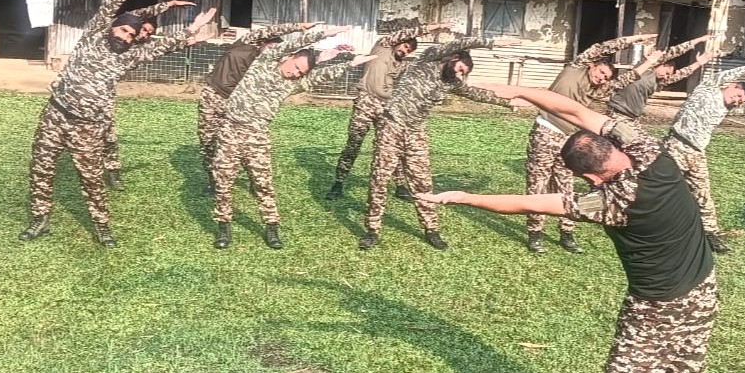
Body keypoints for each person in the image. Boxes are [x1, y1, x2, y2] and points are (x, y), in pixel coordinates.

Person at [418, 85, 718, 373]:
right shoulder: (652, 153)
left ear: (593, 177)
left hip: (654, 311)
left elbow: (530, 203)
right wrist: (525, 93)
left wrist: (464, 196)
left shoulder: (614, 201)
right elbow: (576, 111)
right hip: (702, 293)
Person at [19, 0, 216, 247]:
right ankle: (40, 219)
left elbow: (165, 45)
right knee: (41, 168)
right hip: (55, 115)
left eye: (131, 36)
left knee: (91, 179)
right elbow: (114, 3)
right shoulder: (93, 37)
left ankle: (101, 225)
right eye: (123, 30)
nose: (125, 37)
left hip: (87, 127)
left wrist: (192, 29)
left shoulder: (129, 56)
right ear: (112, 26)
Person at [212, 25, 375, 250]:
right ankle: (223, 227)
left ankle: (271, 228)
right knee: (223, 182)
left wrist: (350, 64)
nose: (295, 73)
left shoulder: (291, 85)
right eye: (296, 67)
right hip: (230, 129)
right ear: (288, 57)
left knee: (263, 184)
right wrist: (324, 34)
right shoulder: (266, 61)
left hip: (256, 135)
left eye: (300, 73)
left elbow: (320, 77)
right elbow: (293, 43)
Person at [358, 36, 525, 251]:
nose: (459, 74)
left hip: (416, 133)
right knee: (379, 180)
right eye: (460, 68)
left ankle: (431, 229)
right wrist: (490, 42)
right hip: (391, 126)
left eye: (463, 74)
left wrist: (508, 101)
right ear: (453, 58)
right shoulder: (428, 60)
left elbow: (476, 94)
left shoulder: (452, 82)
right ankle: (372, 230)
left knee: (422, 183)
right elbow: (458, 43)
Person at [525, 34, 659, 255]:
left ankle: (566, 232)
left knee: (565, 186)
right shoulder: (575, 68)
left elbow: (629, 78)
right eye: (601, 72)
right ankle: (535, 232)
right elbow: (603, 45)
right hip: (546, 133)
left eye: (606, 77)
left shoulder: (599, 91)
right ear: (592, 66)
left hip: (570, 142)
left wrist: (650, 61)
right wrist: (637, 38)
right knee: (537, 185)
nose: (602, 78)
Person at [663, 62, 745, 253]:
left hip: (696, 154)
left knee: (703, 194)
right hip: (675, 145)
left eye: (740, 100)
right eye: (737, 95)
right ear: (731, 85)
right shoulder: (708, 88)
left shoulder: (726, 108)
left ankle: (710, 234)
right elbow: (739, 70)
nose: (736, 100)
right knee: (662, 184)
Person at [326, 23, 447, 202]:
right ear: (398, 42)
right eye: (405, 46)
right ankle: (338, 183)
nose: (405, 51)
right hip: (365, 102)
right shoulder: (382, 47)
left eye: (409, 51)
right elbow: (409, 31)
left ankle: (399, 185)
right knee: (354, 143)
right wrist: (435, 27)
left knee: (391, 146)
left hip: (387, 107)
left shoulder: (401, 64)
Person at [197, 22, 320, 196]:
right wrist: (299, 26)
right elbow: (270, 30)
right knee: (208, 142)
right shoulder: (246, 44)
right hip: (213, 97)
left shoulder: (267, 66)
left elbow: (298, 72)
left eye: (277, 50)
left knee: (244, 144)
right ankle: (214, 182)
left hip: (239, 106)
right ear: (264, 42)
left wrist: (322, 58)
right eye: (271, 46)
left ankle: (254, 180)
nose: (273, 51)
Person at [103, 1, 194, 191]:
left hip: (103, 96)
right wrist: (170, 4)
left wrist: (187, 41)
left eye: (148, 34)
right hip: (77, 93)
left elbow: (162, 47)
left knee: (108, 137)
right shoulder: (113, 33)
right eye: (143, 30)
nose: (143, 35)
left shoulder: (136, 47)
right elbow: (135, 12)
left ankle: (112, 173)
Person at [607, 35, 714, 122]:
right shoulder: (645, 65)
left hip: (632, 116)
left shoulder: (659, 81)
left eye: (668, 75)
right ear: (661, 64)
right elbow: (676, 50)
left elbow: (683, 73)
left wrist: (699, 63)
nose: (667, 76)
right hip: (616, 109)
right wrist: (699, 40)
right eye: (667, 72)